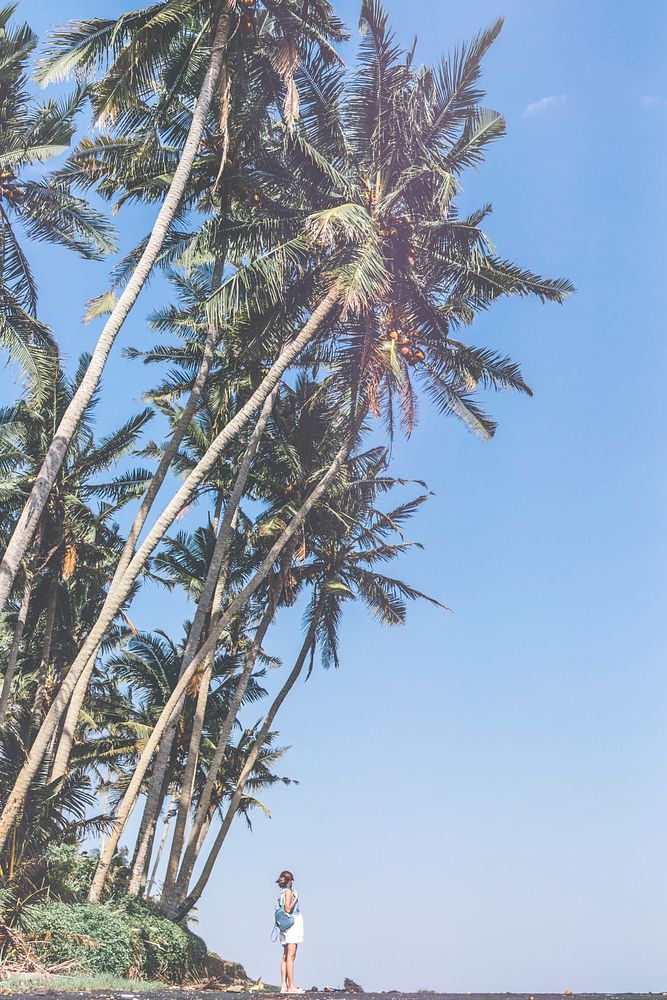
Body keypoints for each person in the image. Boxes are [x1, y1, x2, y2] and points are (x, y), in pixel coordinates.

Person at [276, 869, 304, 994]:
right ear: (290, 881)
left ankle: (284, 985)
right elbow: (287, 909)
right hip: (292, 926)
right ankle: (291, 986)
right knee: (291, 956)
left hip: (284, 927)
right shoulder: (288, 892)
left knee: (285, 956)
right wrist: (296, 899)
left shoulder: (280, 893)